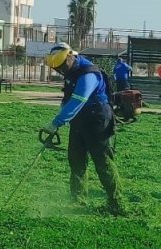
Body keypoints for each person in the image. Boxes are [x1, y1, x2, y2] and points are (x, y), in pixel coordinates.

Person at [41, 43, 124, 215]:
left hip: (98, 119)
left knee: (102, 161)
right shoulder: (70, 72)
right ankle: (77, 201)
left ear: (70, 56)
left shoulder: (89, 74)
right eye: (57, 69)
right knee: (76, 160)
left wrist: (57, 122)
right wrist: (60, 117)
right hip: (79, 120)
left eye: (62, 66)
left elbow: (78, 99)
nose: (61, 70)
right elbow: (67, 100)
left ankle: (116, 202)